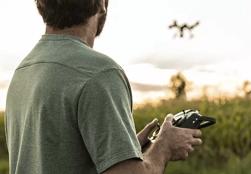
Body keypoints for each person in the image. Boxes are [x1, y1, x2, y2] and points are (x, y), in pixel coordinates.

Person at [4, 0, 202, 173]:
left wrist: (123, 151)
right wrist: (163, 148)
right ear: (101, 4)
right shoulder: (99, 73)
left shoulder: (24, 71)